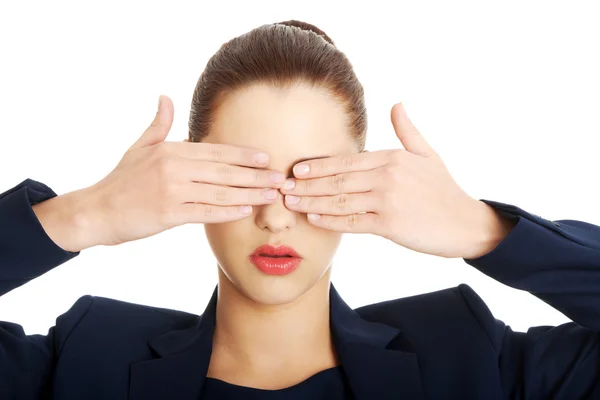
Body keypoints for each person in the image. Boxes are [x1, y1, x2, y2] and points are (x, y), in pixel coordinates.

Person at [1, 20, 599, 400]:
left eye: (314, 177)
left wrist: (484, 230)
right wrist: (80, 217)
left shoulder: (466, 355)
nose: (278, 217)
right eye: (243, 178)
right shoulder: (83, 359)